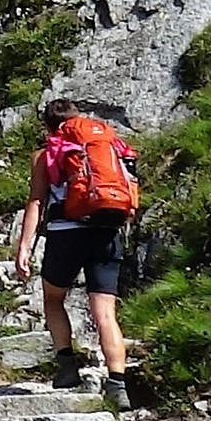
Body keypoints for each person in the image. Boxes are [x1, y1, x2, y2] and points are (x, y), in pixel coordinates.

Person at [13, 96, 144, 404]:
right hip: (107, 232)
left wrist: (25, 247)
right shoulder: (110, 147)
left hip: (66, 235)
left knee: (53, 298)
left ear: (48, 127)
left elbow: (36, 202)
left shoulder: (45, 155)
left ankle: (67, 367)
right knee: (105, 313)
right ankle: (118, 385)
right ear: (77, 120)